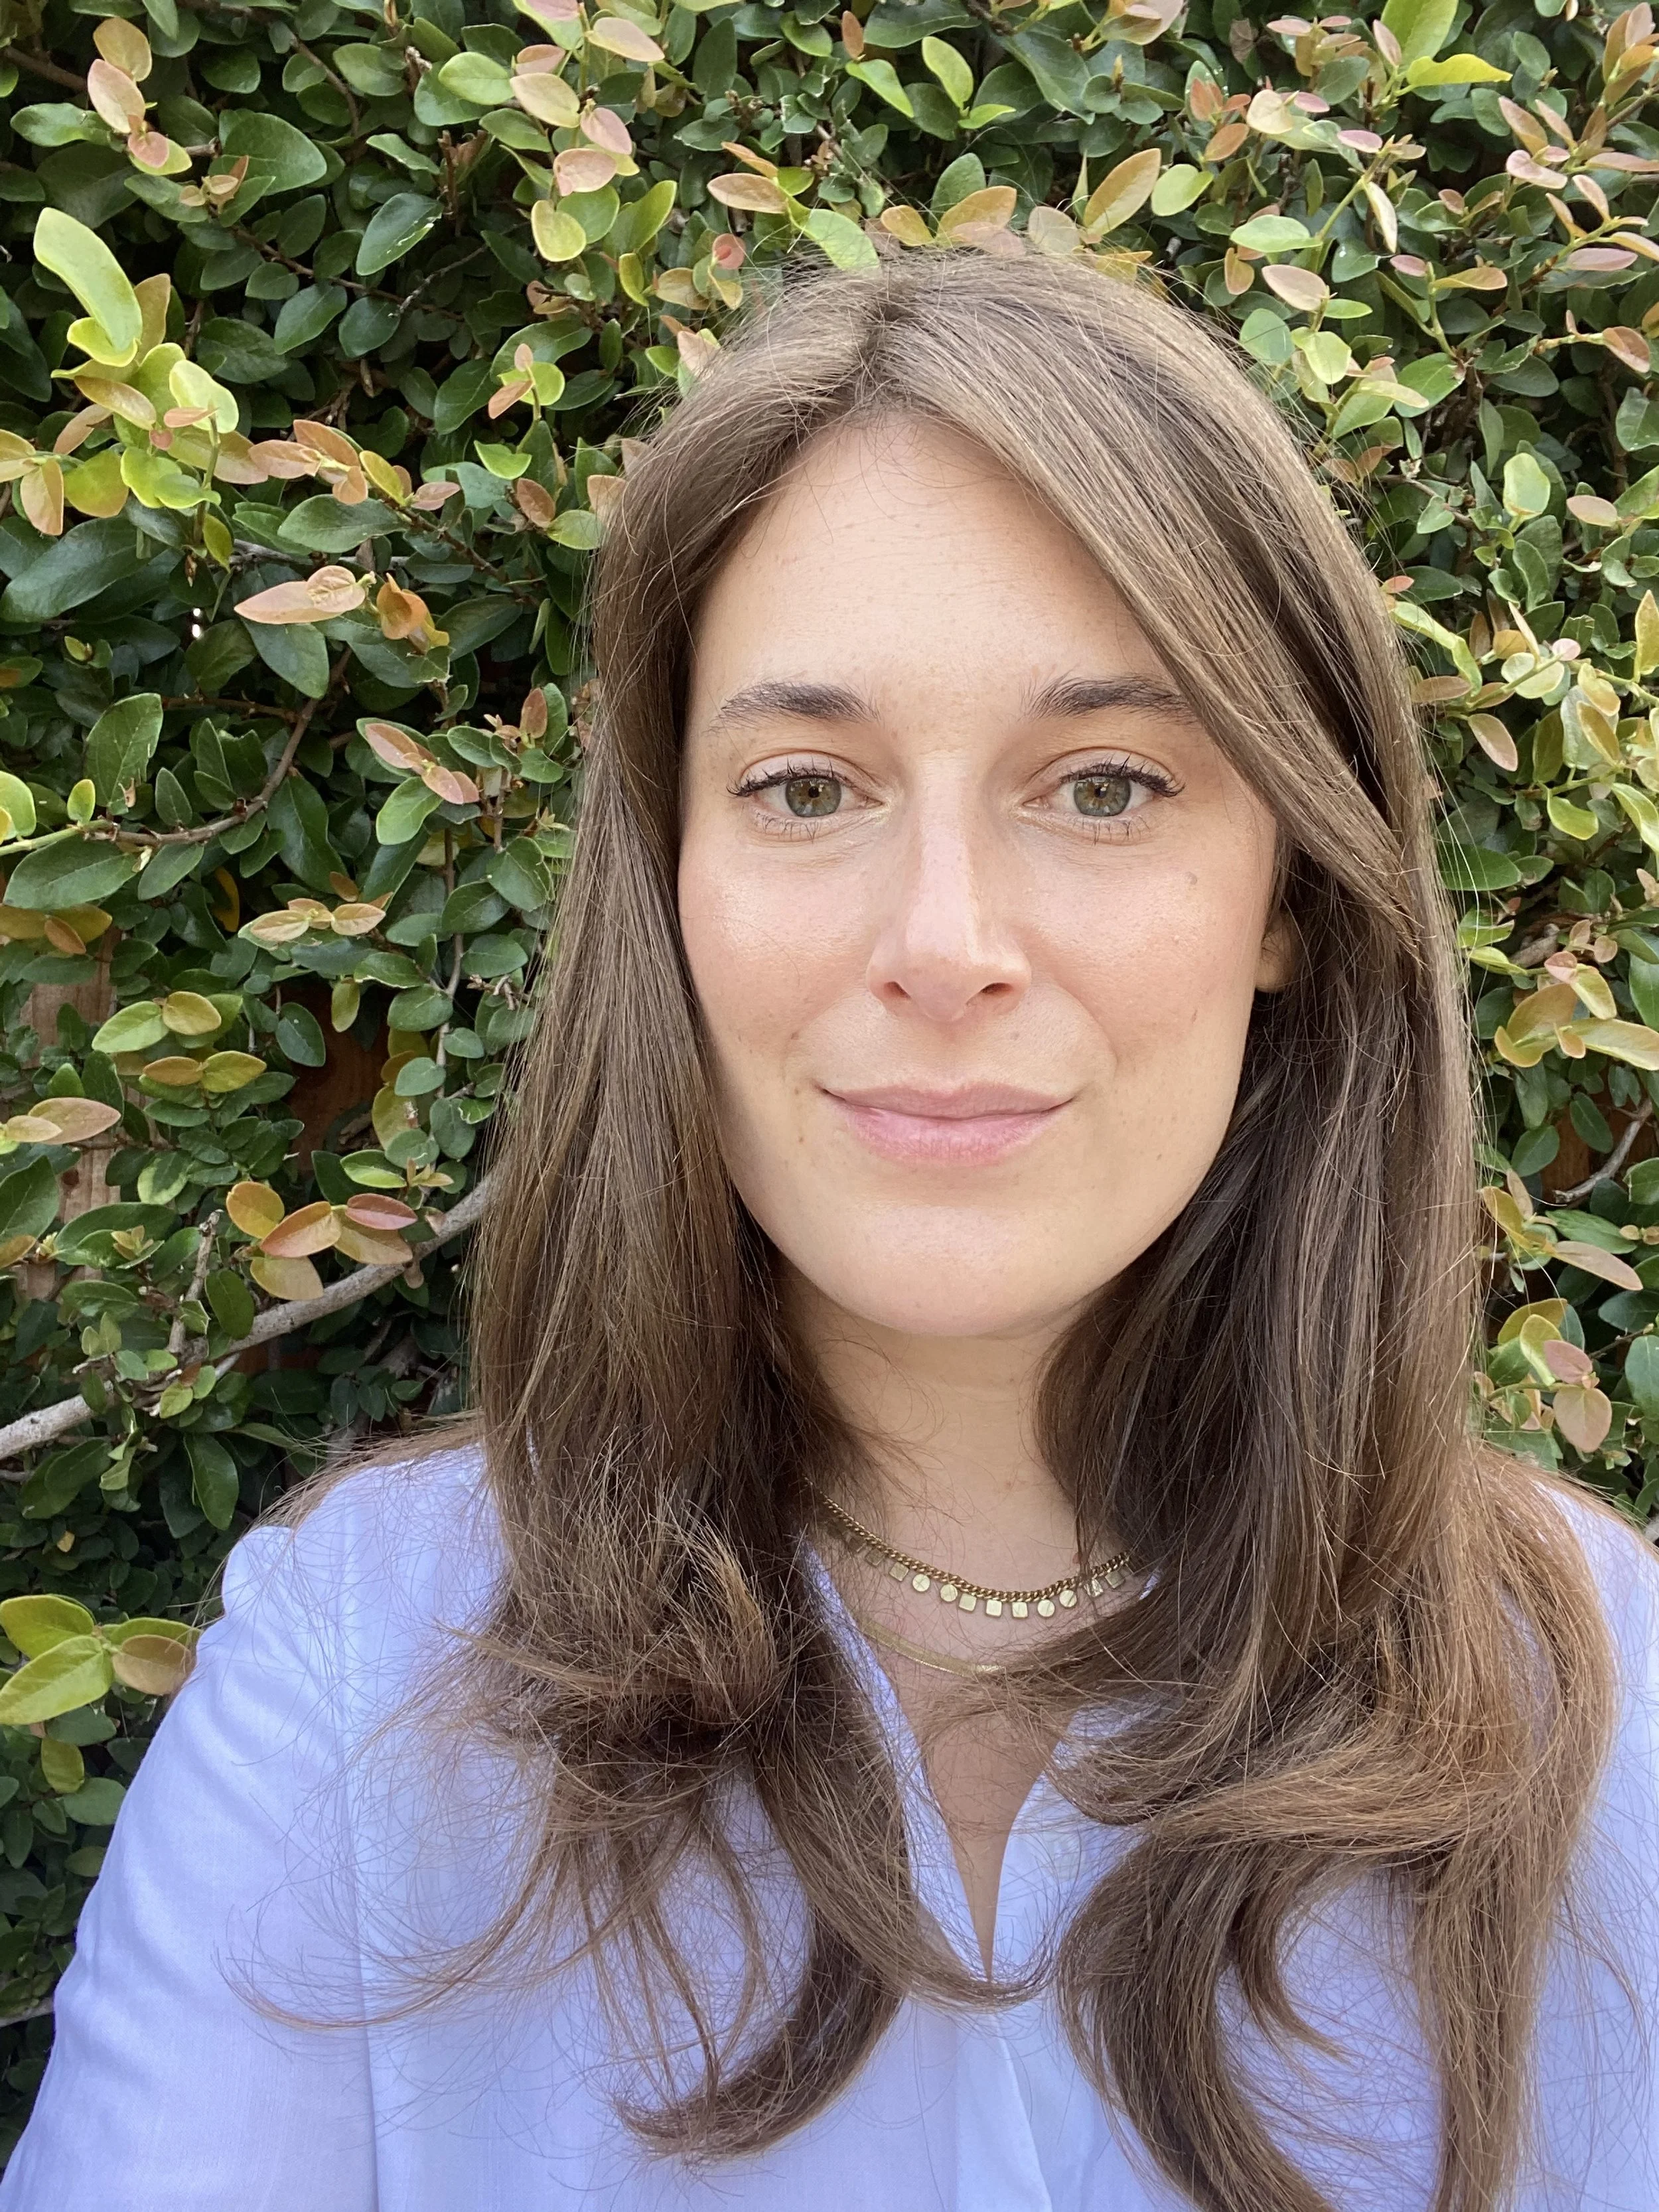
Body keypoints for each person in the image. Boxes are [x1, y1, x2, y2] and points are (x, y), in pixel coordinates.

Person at [3, 251, 1655, 2212]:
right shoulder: (356, 1682)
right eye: (805, 787)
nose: (941, 942)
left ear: (1289, 887)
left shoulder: (1607, 1706)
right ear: (673, 876)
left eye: (1103, 785)